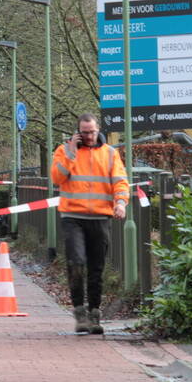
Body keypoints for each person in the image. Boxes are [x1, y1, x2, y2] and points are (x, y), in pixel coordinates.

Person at [50, 114, 130, 335]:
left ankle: (95, 312)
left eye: (91, 132)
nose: (88, 136)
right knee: (76, 262)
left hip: (100, 217)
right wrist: (71, 154)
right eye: (84, 132)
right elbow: (57, 178)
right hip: (72, 217)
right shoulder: (64, 151)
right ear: (77, 132)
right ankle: (79, 312)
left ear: (98, 130)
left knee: (97, 267)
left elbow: (120, 181)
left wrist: (121, 203)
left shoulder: (110, 154)